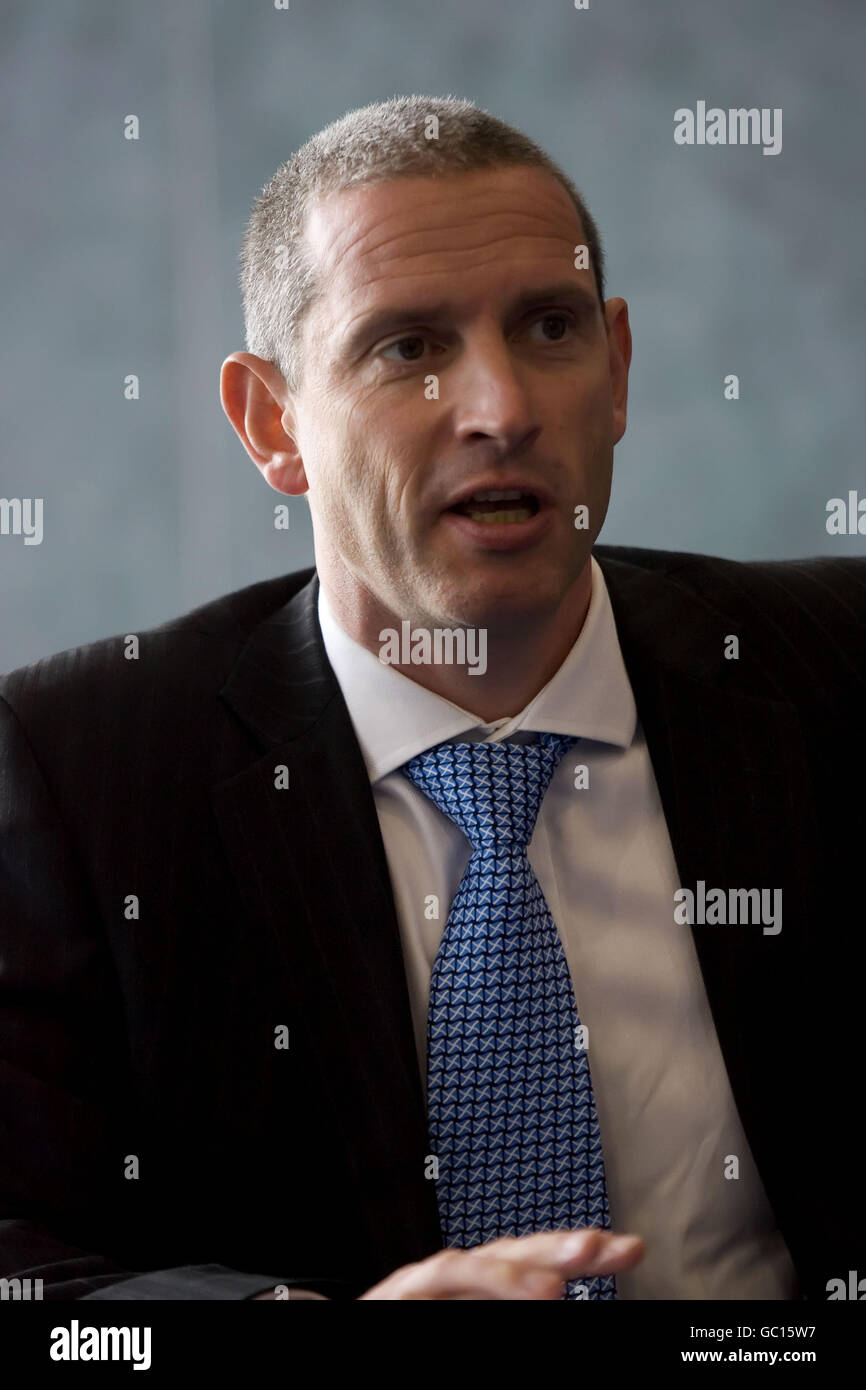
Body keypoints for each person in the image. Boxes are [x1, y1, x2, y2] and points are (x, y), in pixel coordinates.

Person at [1, 95, 863, 1302]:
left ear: (615, 372)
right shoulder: (78, 765)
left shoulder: (836, 668)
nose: (502, 410)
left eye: (548, 328)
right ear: (272, 421)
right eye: (407, 347)